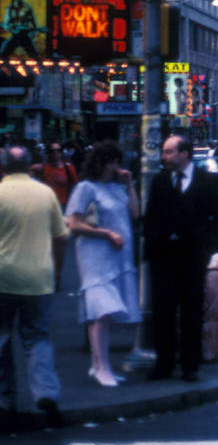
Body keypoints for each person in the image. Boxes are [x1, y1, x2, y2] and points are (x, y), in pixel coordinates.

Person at [143, 135, 218, 382]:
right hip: (164, 258)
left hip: (193, 257)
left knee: (191, 312)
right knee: (163, 312)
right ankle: (164, 364)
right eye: (164, 152)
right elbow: (151, 217)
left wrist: (215, 250)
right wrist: (152, 246)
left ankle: (191, 365)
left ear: (184, 154)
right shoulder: (159, 181)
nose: (164, 157)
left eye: (169, 152)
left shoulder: (207, 181)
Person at [0, 145, 67, 427]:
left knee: (2, 338)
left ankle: (5, 402)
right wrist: (58, 272)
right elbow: (61, 237)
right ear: (30, 165)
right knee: (38, 337)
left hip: (3, 277)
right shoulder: (45, 193)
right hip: (39, 277)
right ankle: (46, 394)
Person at [64, 141, 140, 387]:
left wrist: (129, 185)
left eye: (117, 162)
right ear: (101, 163)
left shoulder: (117, 188)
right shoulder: (85, 188)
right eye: (112, 162)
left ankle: (100, 365)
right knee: (101, 310)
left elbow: (135, 215)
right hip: (95, 257)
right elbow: (73, 223)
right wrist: (107, 234)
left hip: (118, 258)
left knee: (104, 317)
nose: (115, 167)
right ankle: (102, 367)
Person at [31, 141, 78, 209]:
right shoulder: (43, 168)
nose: (56, 153)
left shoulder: (69, 168)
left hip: (64, 205)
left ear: (62, 152)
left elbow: (75, 187)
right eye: (52, 151)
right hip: (48, 205)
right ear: (49, 153)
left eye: (58, 150)